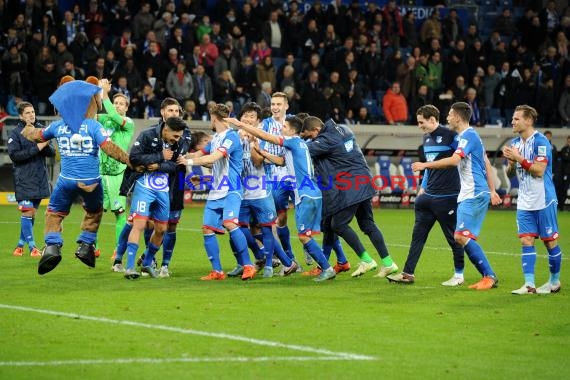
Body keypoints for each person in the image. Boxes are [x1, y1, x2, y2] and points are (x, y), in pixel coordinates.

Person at [21, 79, 131, 275]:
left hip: (66, 181)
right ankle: (86, 245)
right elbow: (110, 148)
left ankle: (53, 246)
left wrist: (27, 129)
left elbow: (38, 135)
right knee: (94, 212)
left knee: (54, 213)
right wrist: (129, 160)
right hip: (91, 181)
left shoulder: (57, 126)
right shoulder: (93, 126)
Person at [225, 114, 337, 282]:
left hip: (305, 194)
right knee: (308, 234)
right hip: (312, 192)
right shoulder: (298, 145)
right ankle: (329, 264)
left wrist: (240, 125)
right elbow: (281, 162)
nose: (281, 128)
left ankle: (327, 268)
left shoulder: (292, 141)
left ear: (292, 130)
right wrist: (262, 152)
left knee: (304, 236)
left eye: (284, 126)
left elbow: (266, 136)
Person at [411, 102, 502, 290]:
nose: (447, 118)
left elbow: (454, 161)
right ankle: (485, 275)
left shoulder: (468, 136)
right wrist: (492, 190)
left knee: (460, 236)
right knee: (461, 236)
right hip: (468, 193)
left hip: (474, 193)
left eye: (450, 115)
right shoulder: (464, 137)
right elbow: (485, 162)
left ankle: (489, 275)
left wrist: (424, 165)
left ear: (458, 117)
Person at [301, 116, 399, 278]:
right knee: (367, 224)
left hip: (351, 185)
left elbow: (303, 150)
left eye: (310, 136)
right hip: (364, 180)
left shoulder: (326, 139)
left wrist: (294, 141)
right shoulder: (343, 129)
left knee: (337, 224)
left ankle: (367, 260)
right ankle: (388, 263)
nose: (311, 139)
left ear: (316, 131)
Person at [386, 105, 465, 286]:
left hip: (448, 196)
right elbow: (430, 165)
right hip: (428, 196)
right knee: (417, 237)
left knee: (454, 238)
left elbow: (459, 160)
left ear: (432, 119)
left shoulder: (452, 136)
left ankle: (459, 275)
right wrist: (422, 186)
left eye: (421, 122)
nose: (419, 125)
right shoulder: (427, 138)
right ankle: (408, 273)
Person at [177, 103, 256, 281]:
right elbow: (199, 154)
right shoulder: (215, 138)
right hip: (216, 190)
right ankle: (217, 271)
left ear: (213, 118)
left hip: (231, 188)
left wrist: (187, 163)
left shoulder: (232, 137)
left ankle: (248, 265)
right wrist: (181, 157)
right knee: (207, 228)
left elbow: (214, 158)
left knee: (230, 223)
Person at [226, 102, 298, 278]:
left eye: (252, 116)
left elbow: (258, 161)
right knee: (237, 228)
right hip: (241, 193)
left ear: (258, 121)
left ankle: (272, 264)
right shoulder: (234, 137)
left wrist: (252, 143)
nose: (247, 118)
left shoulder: (262, 137)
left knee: (266, 229)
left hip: (261, 191)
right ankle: (262, 258)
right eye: (245, 115)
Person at [503, 105, 562, 294]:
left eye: (516, 119)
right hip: (525, 201)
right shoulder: (515, 143)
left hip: (543, 199)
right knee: (526, 240)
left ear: (528, 121)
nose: (512, 122)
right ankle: (529, 285)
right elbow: (510, 172)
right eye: (512, 119)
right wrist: (511, 163)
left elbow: (539, 171)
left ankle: (554, 281)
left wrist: (518, 158)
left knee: (549, 241)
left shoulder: (541, 142)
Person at [121, 116, 188, 279]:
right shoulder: (147, 135)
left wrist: (159, 165)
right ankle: (129, 267)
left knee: (161, 229)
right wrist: (159, 155)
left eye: (179, 136)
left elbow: (175, 166)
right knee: (139, 224)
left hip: (163, 189)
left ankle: (147, 263)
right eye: (175, 136)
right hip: (144, 186)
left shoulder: (177, 143)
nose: (177, 139)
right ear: (166, 129)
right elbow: (134, 158)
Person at [8, 102, 56, 258]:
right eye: (27, 113)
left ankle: (20, 245)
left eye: (33, 111)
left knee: (31, 214)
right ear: (21, 116)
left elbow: (51, 152)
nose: (31, 115)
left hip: (39, 178)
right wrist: (38, 147)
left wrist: (45, 143)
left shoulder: (40, 130)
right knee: (27, 212)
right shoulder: (16, 133)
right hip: (24, 178)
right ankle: (33, 247)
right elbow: (15, 156)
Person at [259, 92, 299, 265]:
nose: (275, 107)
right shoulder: (265, 124)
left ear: (286, 106)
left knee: (304, 213)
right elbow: (258, 150)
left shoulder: (294, 122)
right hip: (274, 175)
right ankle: (288, 254)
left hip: (295, 175)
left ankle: (308, 251)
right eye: (273, 104)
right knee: (280, 217)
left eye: (278, 104)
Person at [97, 79, 135, 258]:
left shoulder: (127, 123)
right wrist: (96, 92)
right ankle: (91, 246)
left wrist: (104, 93)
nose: (118, 106)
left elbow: (112, 115)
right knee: (94, 211)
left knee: (119, 213)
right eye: (116, 103)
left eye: (122, 104)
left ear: (126, 108)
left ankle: (118, 249)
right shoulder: (103, 119)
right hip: (100, 172)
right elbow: (90, 115)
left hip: (117, 175)